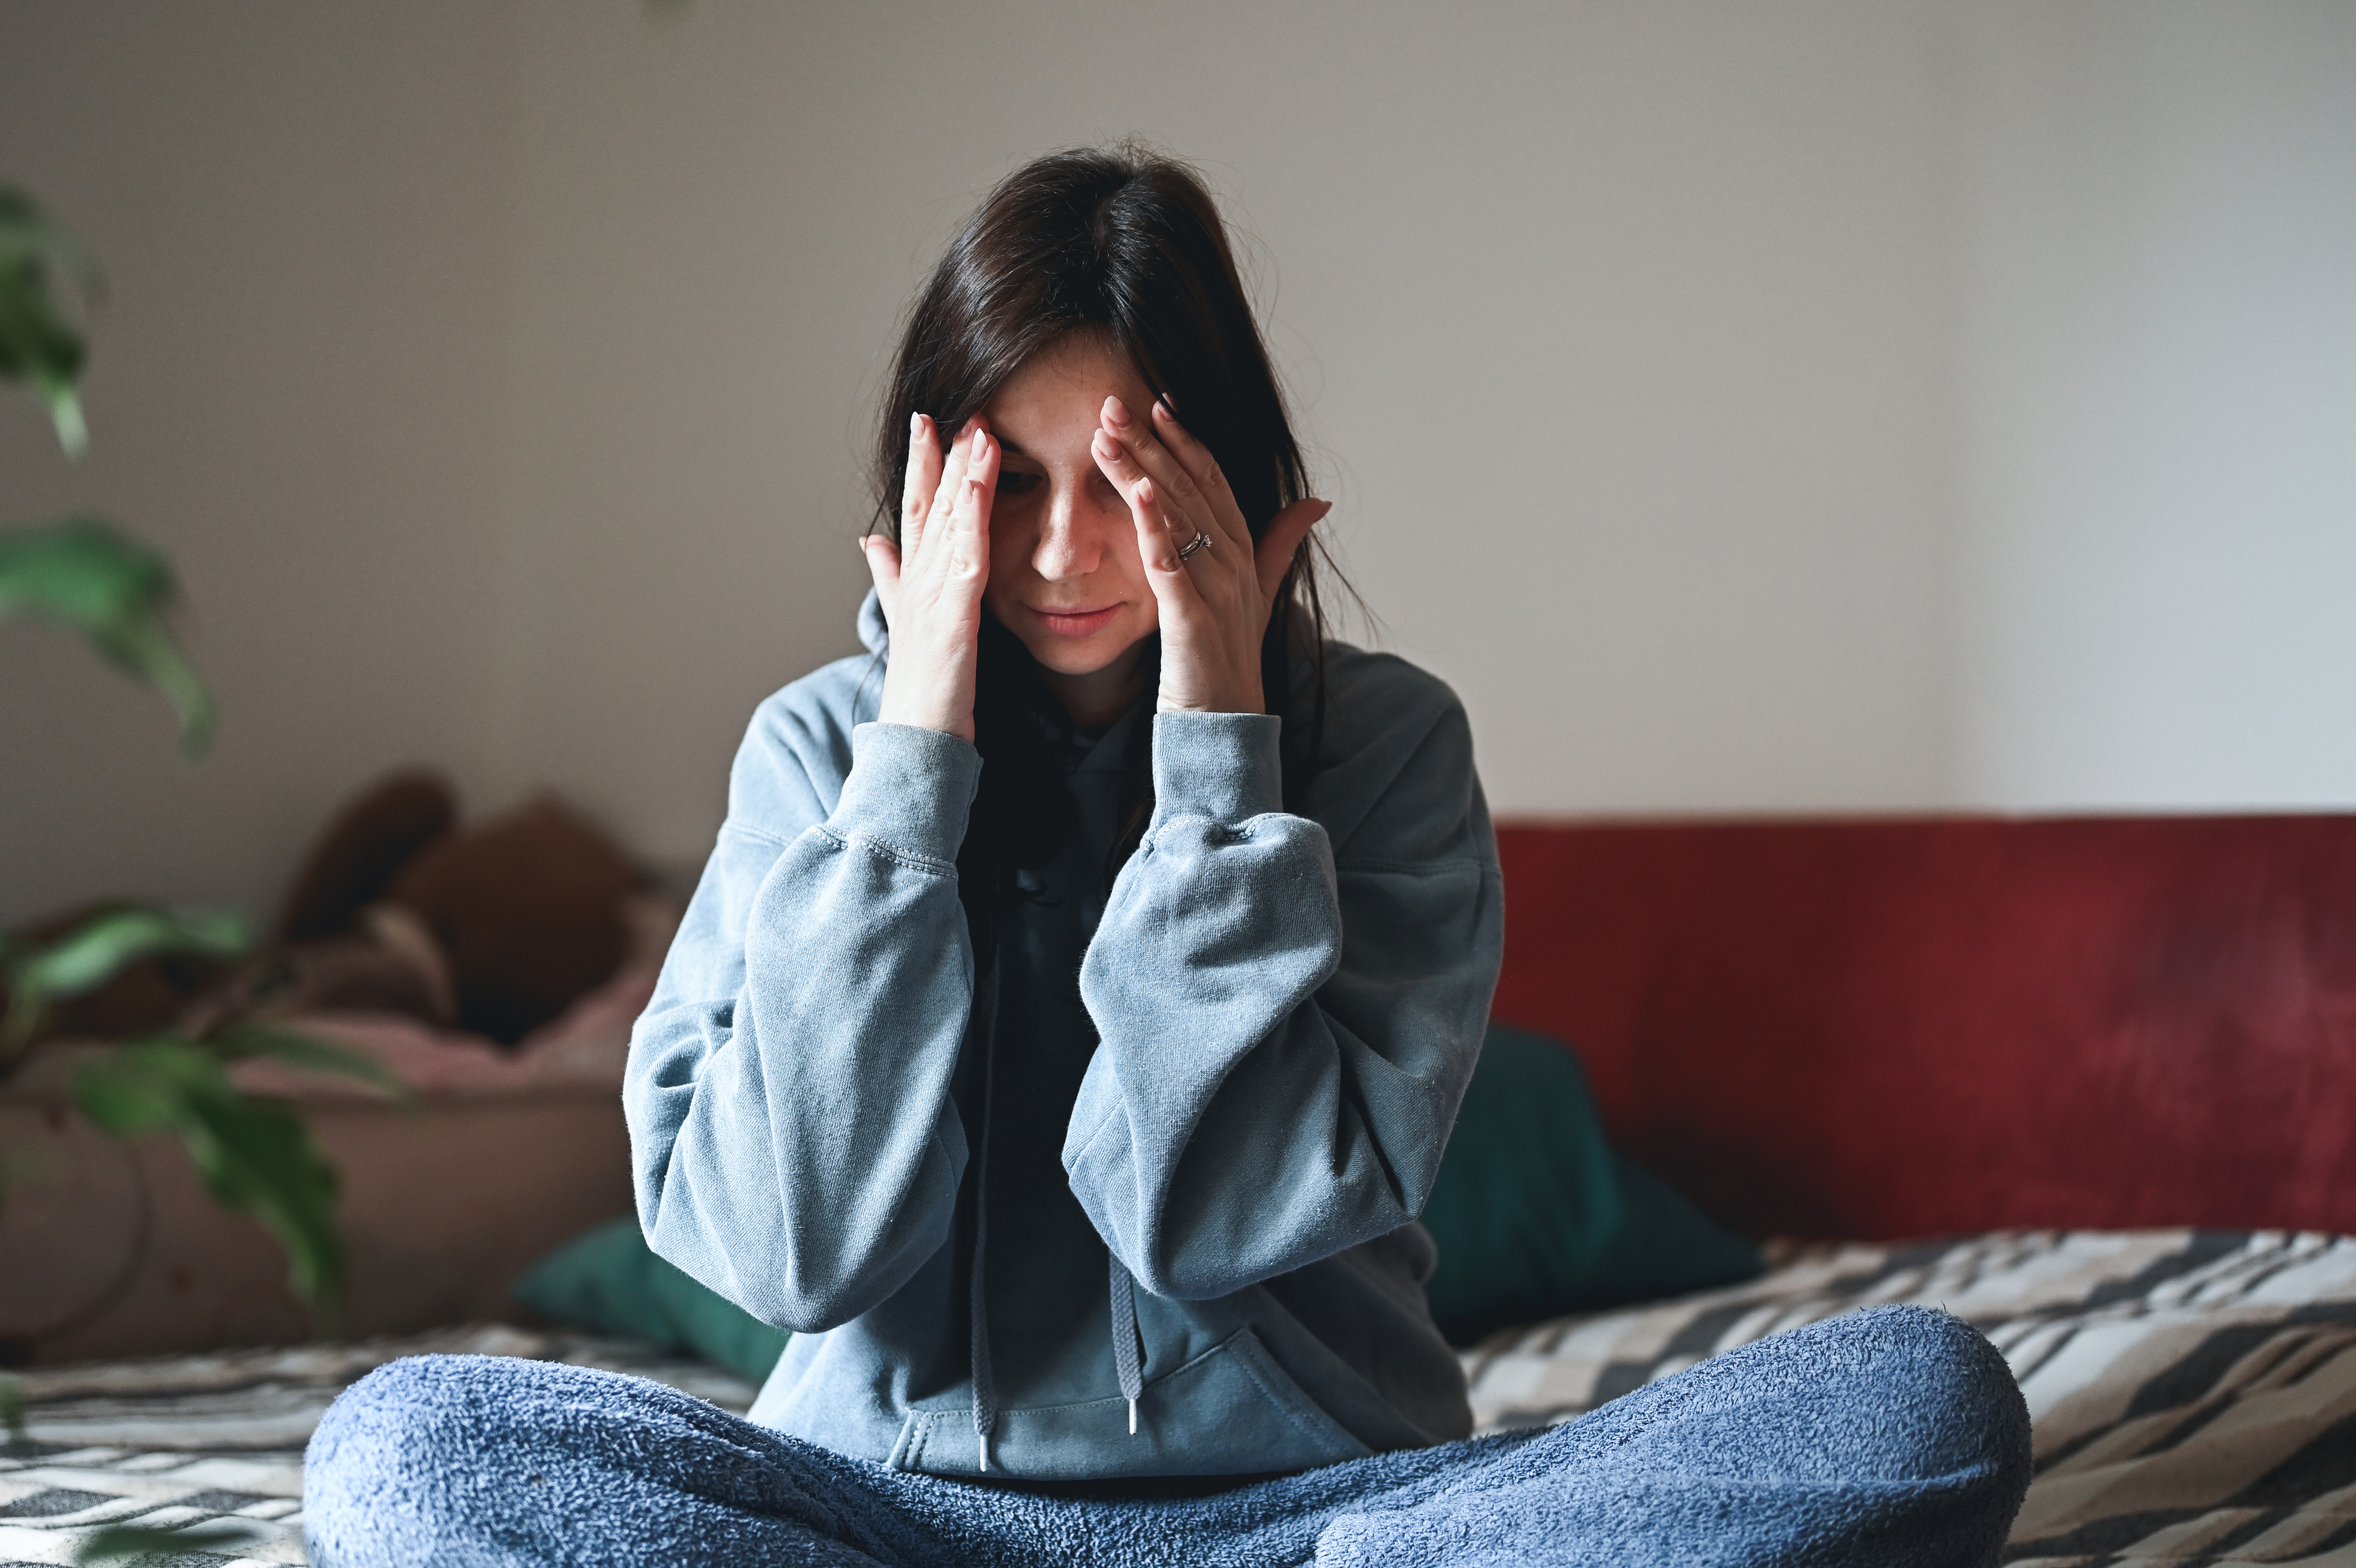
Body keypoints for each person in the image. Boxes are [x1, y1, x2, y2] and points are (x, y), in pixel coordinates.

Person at [304, 145, 2031, 1567]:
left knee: (1918, 1400)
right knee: (404, 1452)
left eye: (1124, 479)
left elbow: (1203, 1219)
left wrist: (1220, 750)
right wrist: (912, 771)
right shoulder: (817, 755)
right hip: (893, 1526)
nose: (1066, 554)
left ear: (1226, 470)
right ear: (927, 487)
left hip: (1332, 1522)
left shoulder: (1386, 751)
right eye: (1013, 484)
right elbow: (791, 1252)